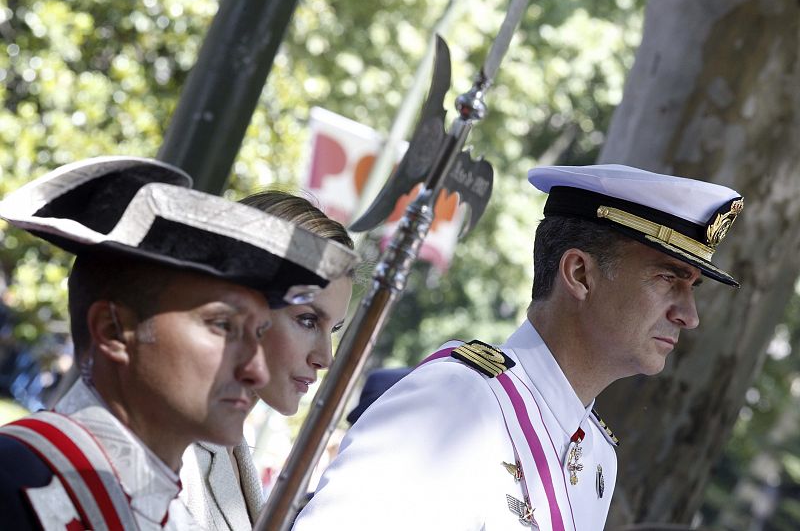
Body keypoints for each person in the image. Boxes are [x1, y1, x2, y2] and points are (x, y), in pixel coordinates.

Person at [292, 164, 744, 530]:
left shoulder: (596, 457)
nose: (689, 315)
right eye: (668, 279)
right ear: (580, 274)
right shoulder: (456, 401)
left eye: (693, 288)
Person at [0, 157, 359, 530]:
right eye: (222, 326)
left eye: (256, 331)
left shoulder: (162, 508)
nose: (254, 368)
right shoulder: (20, 476)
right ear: (113, 330)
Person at [179, 190, 357, 530]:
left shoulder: (227, 446)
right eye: (307, 320)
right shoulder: (170, 450)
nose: (325, 357)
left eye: (333, 329)